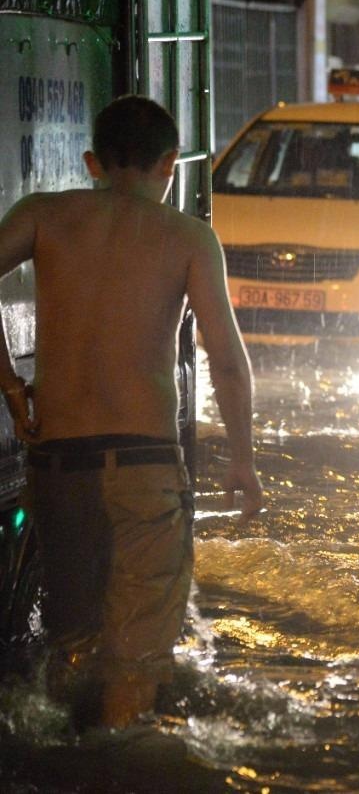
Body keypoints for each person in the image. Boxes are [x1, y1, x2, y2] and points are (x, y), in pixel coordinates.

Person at [0, 95, 263, 730]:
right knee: (137, 657)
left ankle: (61, 754)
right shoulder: (188, 237)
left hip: (57, 463)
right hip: (143, 464)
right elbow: (225, 358)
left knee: (72, 640)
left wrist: (11, 385)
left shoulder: (42, 215)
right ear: (170, 164)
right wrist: (243, 460)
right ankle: (118, 760)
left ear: (92, 161)